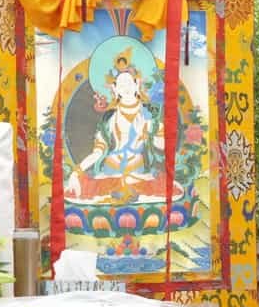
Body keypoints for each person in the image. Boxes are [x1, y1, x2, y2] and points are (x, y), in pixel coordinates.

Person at [64, 47, 181, 204]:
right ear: (115, 89)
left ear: (137, 84)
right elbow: (98, 152)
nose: (125, 86)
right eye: (120, 83)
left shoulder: (148, 112)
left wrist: (149, 133)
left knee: (171, 194)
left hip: (139, 174)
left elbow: (164, 146)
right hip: (110, 174)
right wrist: (76, 172)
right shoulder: (109, 118)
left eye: (128, 82)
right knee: (80, 195)